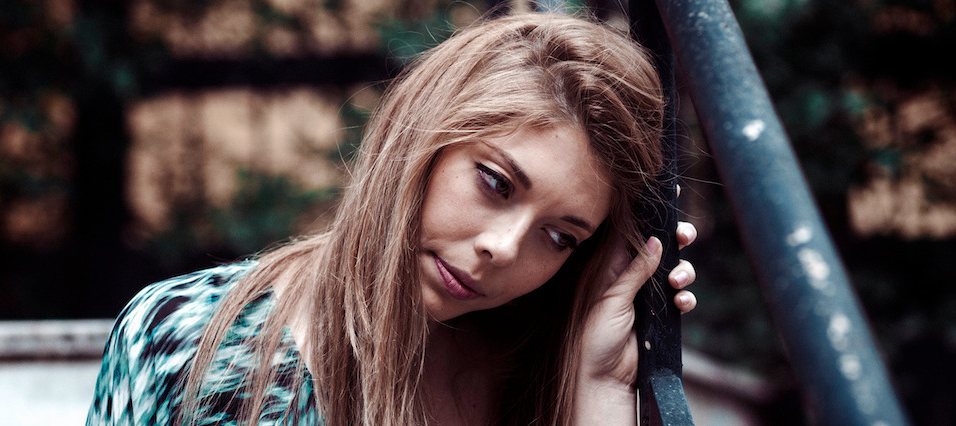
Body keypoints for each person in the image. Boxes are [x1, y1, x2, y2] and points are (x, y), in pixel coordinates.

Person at [88, 11, 699, 426]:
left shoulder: (533, 383)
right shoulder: (190, 342)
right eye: (496, 182)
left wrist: (596, 389)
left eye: (561, 236)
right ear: (422, 140)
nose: (505, 248)